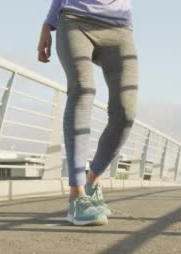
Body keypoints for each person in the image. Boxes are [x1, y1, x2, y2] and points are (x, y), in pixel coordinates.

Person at [38, 0, 137, 226]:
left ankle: (92, 181)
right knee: (82, 89)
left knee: (126, 112)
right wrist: (48, 24)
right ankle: (77, 195)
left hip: (119, 27)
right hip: (75, 19)